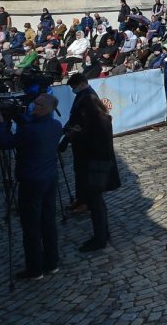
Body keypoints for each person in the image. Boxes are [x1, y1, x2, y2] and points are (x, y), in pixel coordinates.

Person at [0, 93, 62, 280]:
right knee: (48, 222)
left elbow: (5, 143)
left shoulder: (30, 130)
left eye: (37, 104)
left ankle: (35, 269)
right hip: (50, 178)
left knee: (31, 226)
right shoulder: (56, 125)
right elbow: (31, 123)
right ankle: (52, 262)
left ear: (43, 109)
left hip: (31, 181)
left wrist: (1, 123)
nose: (32, 106)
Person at [62, 73, 120, 251]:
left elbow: (93, 131)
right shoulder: (86, 97)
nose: (74, 91)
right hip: (93, 157)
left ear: (80, 84)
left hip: (94, 159)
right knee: (95, 198)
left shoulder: (89, 101)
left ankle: (100, 238)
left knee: (95, 199)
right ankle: (102, 233)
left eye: (74, 87)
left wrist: (76, 133)